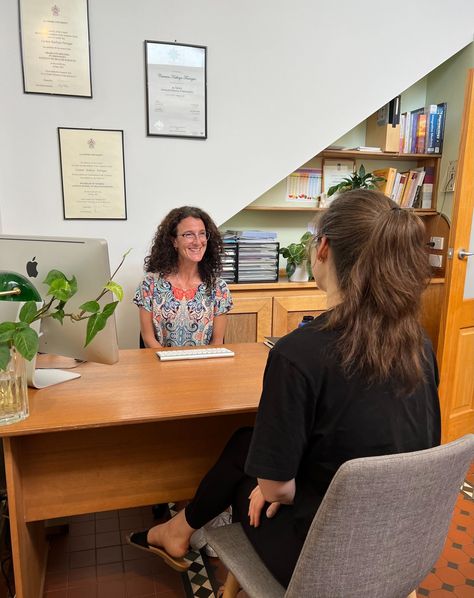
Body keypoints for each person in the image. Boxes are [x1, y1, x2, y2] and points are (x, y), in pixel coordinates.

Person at [128, 189, 441, 586]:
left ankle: (178, 531)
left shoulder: (298, 354)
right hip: (405, 546)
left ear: (323, 247)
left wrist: (273, 490)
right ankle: (177, 531)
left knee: (252, 481)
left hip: (325, 557)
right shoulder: (418, 342)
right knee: (247, 440)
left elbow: (276, 487)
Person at [134, 206, 232, 347]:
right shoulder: (149, 285)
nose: (198, 242)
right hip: (160, 365)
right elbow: (148, 338)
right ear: (174, 241)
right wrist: (170, 367)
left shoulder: (219, 288)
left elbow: (217, 342)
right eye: (188, 234)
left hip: (204, 366)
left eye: (202, 233)